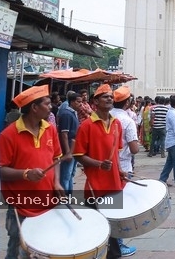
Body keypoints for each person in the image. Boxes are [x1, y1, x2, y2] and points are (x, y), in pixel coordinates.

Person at [0, 85, 64, 259]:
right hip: (20, 203)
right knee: (17, 244)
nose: (51, 107)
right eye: (47, 104)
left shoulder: (50, 128)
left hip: (47, 199)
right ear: (34, 108)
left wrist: (56, 182)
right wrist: (25, 174)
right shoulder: (8, 135)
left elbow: (57, 157)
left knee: (43, 244)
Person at [73, 84, 131, 258]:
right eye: (105, 96)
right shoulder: (86, 126)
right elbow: (78, 155)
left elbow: (116, 156)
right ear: (95, 101)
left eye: (111, 96)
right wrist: (98, 164)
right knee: (96, 226)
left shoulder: (117, 124)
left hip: (114, 184)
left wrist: (120, 171)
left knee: (113, 225)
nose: (109, 99)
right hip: (95, 186)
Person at [56, 90, 81, 195]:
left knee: (71, 174)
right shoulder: (66, 114)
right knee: (66, 175)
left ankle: (69, 196)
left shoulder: (73, 113)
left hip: (74, 149)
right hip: (69, 149)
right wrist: (67, 152)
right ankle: (63, 198)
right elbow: (64, 134)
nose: (80, 104)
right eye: (78, 102)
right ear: (72, 102)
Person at [111, 86, 139, 175]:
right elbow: (134, 149)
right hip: (123, 167)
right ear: (127, 103)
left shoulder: (104, 116)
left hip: (104, 164)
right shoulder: (128, 121)